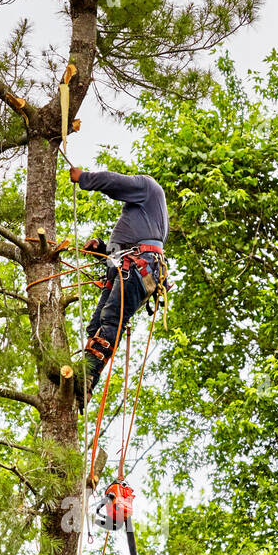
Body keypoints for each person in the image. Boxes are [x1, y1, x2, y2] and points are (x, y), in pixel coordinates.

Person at [62, 166, 169, 410]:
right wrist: (102, 249)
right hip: (130, 266)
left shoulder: (147, 187)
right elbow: (131, 245)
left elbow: (115, 182)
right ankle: (85, 382)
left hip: (137, 267)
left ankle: (86, 377)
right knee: (96, 326)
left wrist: (85, 178)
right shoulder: (147, 217)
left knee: (111, 321)